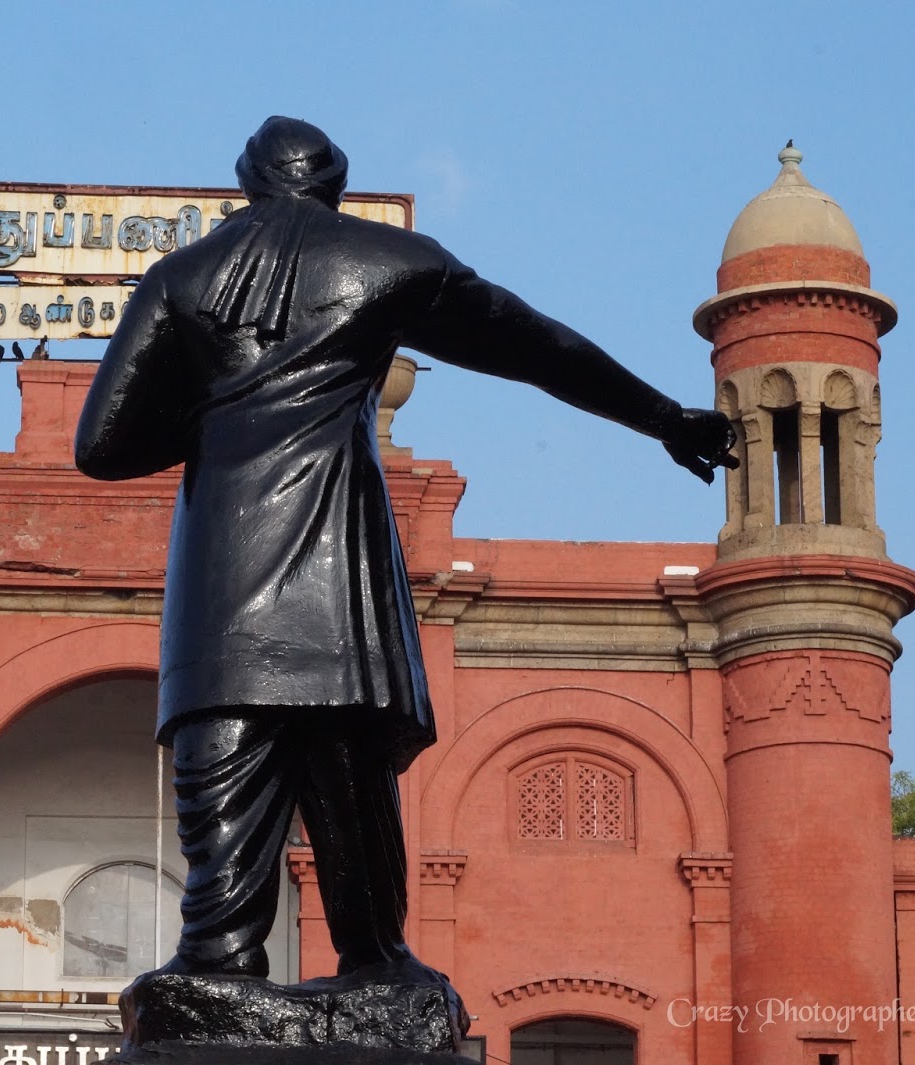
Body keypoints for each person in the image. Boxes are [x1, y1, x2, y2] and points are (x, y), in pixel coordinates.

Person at [74, 116, 736, 983]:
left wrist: (223, 413)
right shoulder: (390, 265)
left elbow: (103, 444)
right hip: (336, 598)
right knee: (367, 885)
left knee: (216, 934)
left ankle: (219, 973)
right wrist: (663, 417)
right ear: (337, 187)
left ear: (246, 184)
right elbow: (535, 346)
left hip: (219, 596)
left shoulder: (180, 278)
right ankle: (376, 966)